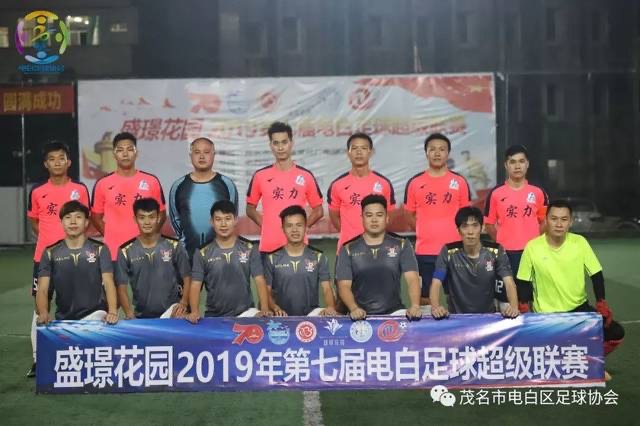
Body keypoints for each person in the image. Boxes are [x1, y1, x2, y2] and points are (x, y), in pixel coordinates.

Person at [517, 199, 625, 380]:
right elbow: (523, 280)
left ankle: (587, 361)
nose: (559, 224)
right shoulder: (532, 247)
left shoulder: (580, 242)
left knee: (616, 333)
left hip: (579, 311)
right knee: (534, 349)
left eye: (564, 219)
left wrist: (601, 302)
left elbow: (596, 273)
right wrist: (524, 306)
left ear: (571, 222)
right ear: (546, 220)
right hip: (547, 315)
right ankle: (566, 361)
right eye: (554, 219)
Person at [26, 141, 90, 377]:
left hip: (74, 256)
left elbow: (85, 219)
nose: (57, 163)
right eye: (52, 159)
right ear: (46, 164)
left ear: (68, 162)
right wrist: (49, 241)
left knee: (78, 303)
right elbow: (35, 221)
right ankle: (38, 358)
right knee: (40, 306)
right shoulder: (37, 191)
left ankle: (80, 353)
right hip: (44, 258)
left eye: (61, 158)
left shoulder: (80, 189)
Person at [404, 133, 471, 306]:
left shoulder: (459, 182)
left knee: (456, 296)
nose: (437, 153)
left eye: (442, 149)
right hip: (425, 251)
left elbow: (466, 217)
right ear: (426, 153)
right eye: (432, 149)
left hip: (454, 250)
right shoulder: (415, 183)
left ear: (448, 153)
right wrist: (425, 230)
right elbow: (409, 215)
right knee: (424, 298)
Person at [336, 194, 422, 321]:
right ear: (362, 218)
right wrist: (353, 308)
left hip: (394, 313)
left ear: (387, 218)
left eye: (379, 215)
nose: (374, 220)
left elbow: (412, 279)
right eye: (369, 215)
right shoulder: (348, 249)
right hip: (360, 315)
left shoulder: (402, 244)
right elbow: (343, 286)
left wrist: (415, 305)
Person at [484, 145, 548, 310]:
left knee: (531, 300)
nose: (517, 166)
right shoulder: (496, 194)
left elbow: (545, 221)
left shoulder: (538, 192)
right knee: (506, 302)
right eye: (512, 162)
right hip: (506, 255)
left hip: (532, 254)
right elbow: (489, 224)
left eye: (521, 161)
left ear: (527, 164)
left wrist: (534, 241)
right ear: (506, 165)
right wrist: (503, 241)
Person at [35, 201, 118, 327]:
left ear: (86, 222)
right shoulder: (50, 252)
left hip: (96, 316)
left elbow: (108, 282)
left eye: (78, 217)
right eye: (68, 217)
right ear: (62, 222)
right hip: (64, 319)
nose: (73, 222)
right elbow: (43, 289)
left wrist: (112, 311)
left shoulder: (100, 249)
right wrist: (43, 312)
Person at [185, 200, 270, 322]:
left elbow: (259, 279)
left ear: (235, 220)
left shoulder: (250, 248)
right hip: (214, 317)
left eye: (228, 219)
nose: (223, 224)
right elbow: (195, 284)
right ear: (212, 222)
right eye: (218, 219)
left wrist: (265, 308)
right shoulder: (202, 252)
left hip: (246, 314)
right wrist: (194, 311)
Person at [246, 122, 323, 254]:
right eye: (276, 143)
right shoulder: (260, 176)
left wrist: (302, 227)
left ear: (291, 143)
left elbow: (318, 210)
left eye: (284, 142)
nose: (280, 147)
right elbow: (250, 208)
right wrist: (266, 225)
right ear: (271, 145)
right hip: (269, 247)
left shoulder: (305, 176)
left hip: (298, 248)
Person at [429, 207, 519, 318]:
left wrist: (514, 307)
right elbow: (436, 282)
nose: (470, 232)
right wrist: (436, 307)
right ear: (458, 230)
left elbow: (509, 282)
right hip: (456, 318)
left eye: (475, 226)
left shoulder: (496, 251)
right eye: (465, 226)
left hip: (488, 318)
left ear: (482, 228)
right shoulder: (448, 251)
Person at [91, 132, 166, 261]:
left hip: (145, 251)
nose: (125, 154)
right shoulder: (102, 184)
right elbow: (95, 216)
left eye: (130, 149)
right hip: (114, 252)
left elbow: (162, 213)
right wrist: (111, 235)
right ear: (114, 154)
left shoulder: (151, 181)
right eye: (120, 150)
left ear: (137, 153)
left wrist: (149, 236)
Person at [116, 198, 191, 319]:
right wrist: (129, 313)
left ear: (158, 218)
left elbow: (188, 278)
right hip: (142, 318)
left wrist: (184, 302)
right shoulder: (125, 251)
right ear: (135, 219)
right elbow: (121, 287)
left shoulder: (174, 245)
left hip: (172, 315)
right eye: (142, 217)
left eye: (151, 217)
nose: (147, 222)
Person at [168, 137, 238, 261]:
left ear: (214, 155)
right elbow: (175, 219)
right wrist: (187, 237)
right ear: (190, 156)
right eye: (197, 152)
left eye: (206, 152)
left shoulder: (226, 184)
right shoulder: (178, 185)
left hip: (220, 256)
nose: (201, 156)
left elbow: (232, 216)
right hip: (187, 255)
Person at [327, 132, 395, 252]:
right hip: (347, 250)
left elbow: (389, 216)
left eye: (363, 148)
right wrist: (349, 234)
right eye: (354, 148)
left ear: (371, 152)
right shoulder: (337, 185)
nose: (359, 152)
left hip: (376, 250)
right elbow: (334, 216)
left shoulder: (383, 183)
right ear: (348, 153)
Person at [264, 205, 337, 316]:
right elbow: (266, 292)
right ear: (283, 229)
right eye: (289, 226)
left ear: (305, 227)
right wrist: (275, 308)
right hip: (281, 317)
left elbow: (327, 289)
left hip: (311, 318)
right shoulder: (272, 258)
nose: (294, 230)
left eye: (299, 225)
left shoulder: (318, 257)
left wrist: (330, 307)